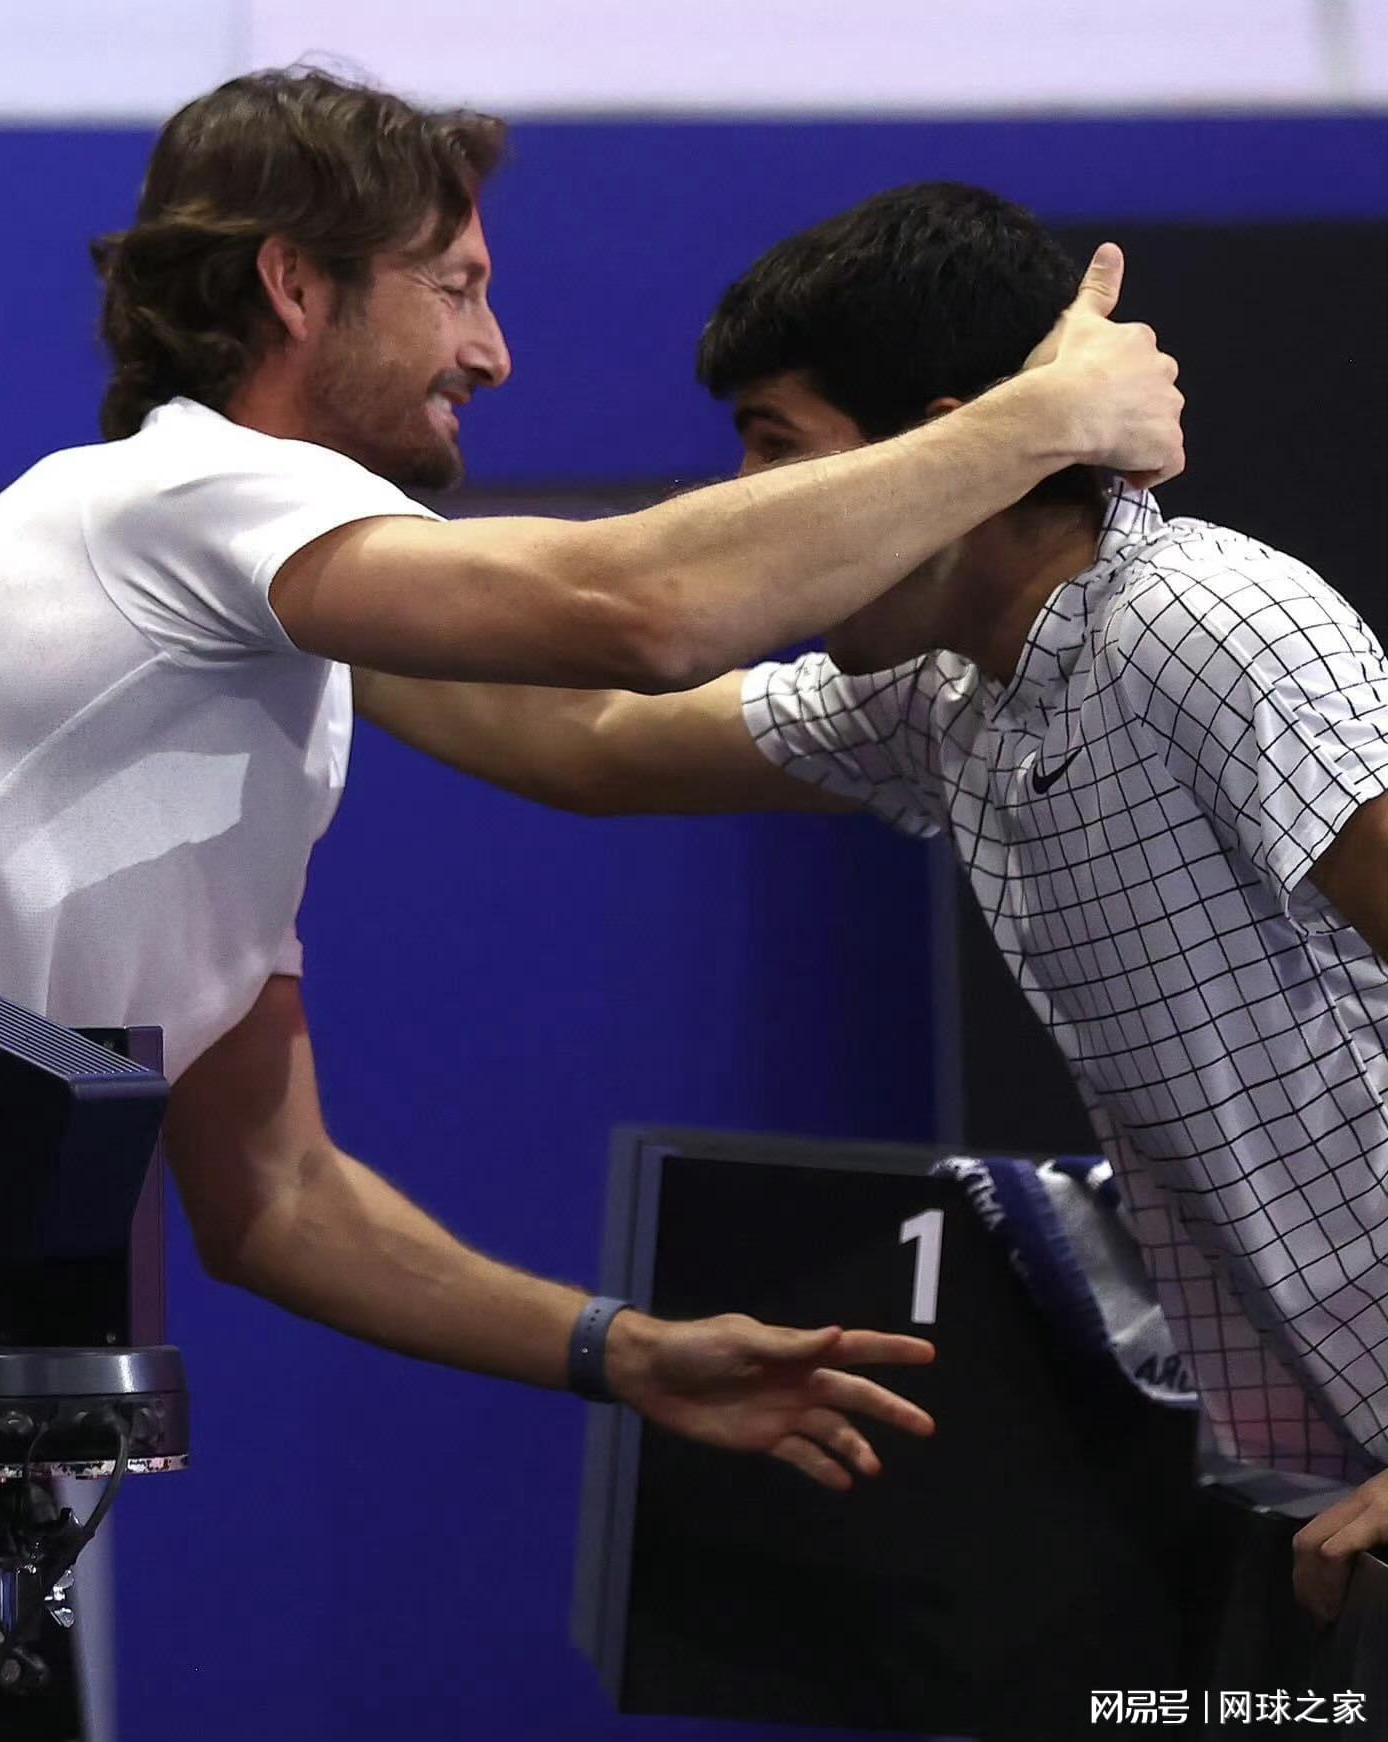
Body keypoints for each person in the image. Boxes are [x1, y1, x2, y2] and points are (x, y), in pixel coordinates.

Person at [0, 72, 1183, 1493]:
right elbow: (633, 614)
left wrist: (622, 1349)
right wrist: (1037, 423)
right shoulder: (182, 489)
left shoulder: (247, 664)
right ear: (293, 285)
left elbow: (278, 1197)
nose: (493, 352)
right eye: (455, 287)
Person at [356, 180, 1388, 1622]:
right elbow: (584, 738)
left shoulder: (1205, 621)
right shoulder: (940, 693)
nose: (751, 511)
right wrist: (274, 592)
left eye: (779, 451)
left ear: (955, 448)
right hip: (1326, 1480)